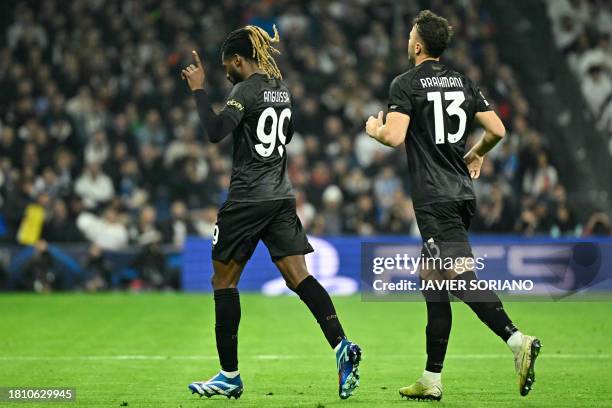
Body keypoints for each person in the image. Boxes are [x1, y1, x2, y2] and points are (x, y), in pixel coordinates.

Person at [365, 10, 541, 401]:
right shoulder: (462, 82)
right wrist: (476, 154)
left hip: (435, 198)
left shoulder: (405, 84)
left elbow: (394, 138)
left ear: (417, 45)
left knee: (459, 279)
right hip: (460, 194)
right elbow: (497, 129)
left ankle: (517, 340)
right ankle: (431, 378)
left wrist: (374, 129)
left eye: (410, 35)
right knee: (433, 283)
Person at [181, 25, 361, 400]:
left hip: (247, 199)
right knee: (300, 278)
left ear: (237, 59)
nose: (225, 72)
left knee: (223, 283)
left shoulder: (243, 90)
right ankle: (341, 345)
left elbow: (215, 131)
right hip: (280, 197)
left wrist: (198, 89)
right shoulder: (282, 90)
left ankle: (229, 376)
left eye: (225, 65)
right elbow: (287, 134)